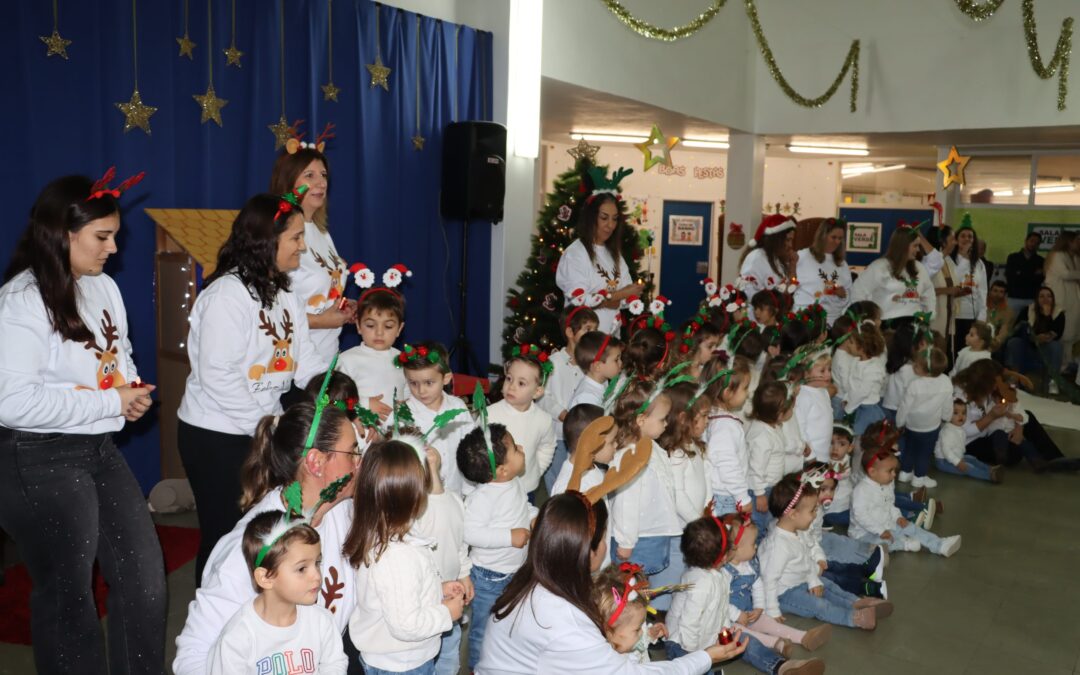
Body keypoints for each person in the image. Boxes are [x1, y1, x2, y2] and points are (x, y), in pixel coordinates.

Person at [0, 172, 165, 673]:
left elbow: (119, 356)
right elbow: (11, 402)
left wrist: (130, 391)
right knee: (68, 599)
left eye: (114, 235)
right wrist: (110, 404)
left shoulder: (103, 286)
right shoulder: (21, 301)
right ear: (62, 234)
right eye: (103, 236)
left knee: (145, 582)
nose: (113, 248)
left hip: (96, 450)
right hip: (35, 457)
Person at [178, 191, 329, 581]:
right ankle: (212, 628)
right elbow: (218, 376)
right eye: (295, 237)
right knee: (224, 536)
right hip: (217, 435)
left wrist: (336, 397)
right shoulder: (227, 294)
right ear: (267, 242)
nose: (302, 245)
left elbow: (305, 362)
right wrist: (270, 426)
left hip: (262, 428)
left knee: (265, 533)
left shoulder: (285, 292)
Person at [173, 400, 360, 675]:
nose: (360, 461)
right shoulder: (251, 547)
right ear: (316, 462)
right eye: (352, 452)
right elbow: (194, 654)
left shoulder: (342, 510)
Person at [476, 493, 749, 673]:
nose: (608, 545)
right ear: (587, 551)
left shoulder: (537, 578)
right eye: (605, 537)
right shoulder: (563, 622)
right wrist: (707, 657)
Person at [345, 440, 466, 674]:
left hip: (395, 657)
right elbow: (406, 625)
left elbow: (395, 595)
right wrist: (446, 613)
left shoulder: (381, 533)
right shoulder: (398, 556)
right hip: (402, 663)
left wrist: (436, 590)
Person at [664, 515, 824, 674]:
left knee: (747, 641)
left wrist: (726, 632)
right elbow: (688, 626)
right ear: (724, 555)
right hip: (683, 646)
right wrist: (703, 655)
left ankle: (782, 667)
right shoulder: (700, 585)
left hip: (712, 631)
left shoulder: (717, 573)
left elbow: (719, 607)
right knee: (697, 669)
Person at [208, 513, 348, 674]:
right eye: (302, 568)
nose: (317, 575)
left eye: (317, 563)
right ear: (266, 577)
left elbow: (334, 663)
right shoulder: (237, 638)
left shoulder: (321, 620)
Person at [457, 422, 537, 670]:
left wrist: (533, 516)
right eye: (515, 448)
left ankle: (503, 661)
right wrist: (508, 537)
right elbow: (470, 532)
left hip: (514, 571)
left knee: (507, 623)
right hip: (488, 577)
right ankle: (478, 668)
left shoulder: (512, 482)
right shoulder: (483, 497)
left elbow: (520, 508)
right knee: (483, 630)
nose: (521, 448)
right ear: (501, 470)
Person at [270, 136, 355, 363]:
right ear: (288, 182)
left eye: (324, 175)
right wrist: (321, 321)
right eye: (310, 175)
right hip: (291, 361)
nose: (321, 183)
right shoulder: (278, 233)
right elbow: (266, 310)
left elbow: (320, 292)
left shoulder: (321, 232)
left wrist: (344, 308)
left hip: (325, 357)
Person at [757, 475, 877, 630]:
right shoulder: (778, 546)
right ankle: (853, 618)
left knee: (828, 585)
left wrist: (813, 580)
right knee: (819, 605)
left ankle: (855, 602)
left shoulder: (797, 532)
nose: (815, 515)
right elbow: (769, 580)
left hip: (801, 580)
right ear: (793, 514)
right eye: (812, 511)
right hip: (783, 594)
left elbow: (806, 562)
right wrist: (772, 610)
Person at [555, 168, 644, 334]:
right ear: (591, 217)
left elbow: (625, 299)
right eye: (604, 218)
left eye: (615, 219)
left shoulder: (614, 254)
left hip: (611, 345)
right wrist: (617, 295)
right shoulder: (575, 254)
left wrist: (607, 299)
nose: (610, 225)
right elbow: (580, 302)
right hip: (585, 345)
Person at [849, 449, 962, 556]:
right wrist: (880, 531)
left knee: (911, 528)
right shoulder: (861, 490)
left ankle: (940, 545)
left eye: (895, 471)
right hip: (864, 533)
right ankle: (903, 544)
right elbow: (861, 516)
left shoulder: (888, 484)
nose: (894, 475)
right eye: (890, 471)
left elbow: (890, 504)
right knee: (878, 544)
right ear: (872, 472)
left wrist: (898, 517)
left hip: (888, 524)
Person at [539, 306, 599, 492]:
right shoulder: (553, 362)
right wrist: (562, 413)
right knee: (557, 478)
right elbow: (543, 396)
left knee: (581, 478)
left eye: (595, 330)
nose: (592, 334)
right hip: (558, 435)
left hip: (583, 434)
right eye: (587, 329)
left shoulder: (591, 364)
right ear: (570, 332)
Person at [402, 342, 474, 494]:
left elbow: (469, 449)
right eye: (413, 383)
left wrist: (469, 490)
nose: (421, 390)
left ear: (446, 378)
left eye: (429, 382)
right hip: (421, 495)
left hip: (455, 492)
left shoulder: (458, 406)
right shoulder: (402, 415)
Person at [489, 346, 557, 496]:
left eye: (521, 383)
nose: (511, 386)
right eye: (509, 379)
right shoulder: (490, 414)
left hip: (527, 489)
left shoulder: (543, 420)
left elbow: (548, 446)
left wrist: (537, 470)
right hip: (494, 487)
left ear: (537, 392)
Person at [851, 226, 936, 329]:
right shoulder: (879, 267)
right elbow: (858, 292)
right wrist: (866, 321)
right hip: (887, 327)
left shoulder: (920, 268)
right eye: (915, 245)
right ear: (903, 246)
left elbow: (929, 294)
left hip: (913, 326)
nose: (918, 249)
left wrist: (927, 316)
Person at [896, 347, 953, 488]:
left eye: (916, 365)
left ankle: (905, 473)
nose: (913, 366)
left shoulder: (914, 384)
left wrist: (899, 422)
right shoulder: (946, 382)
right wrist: (946, 417)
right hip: (931, 426)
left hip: (912, 425)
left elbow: (905, 406)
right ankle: (919, 478)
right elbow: (947, 404)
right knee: (924, 453)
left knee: (909, 449)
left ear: (926, 370)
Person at [703, 356, 753, 514]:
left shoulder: (709, 416)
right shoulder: (725, 425)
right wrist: (742, 497)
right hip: (727, 496)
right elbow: (727, 464)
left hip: (722, 493)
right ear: (727, 392)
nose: (748, 393)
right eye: (745, 388)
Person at [793, 218, 853, 325]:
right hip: (805, 318)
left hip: (832, 320)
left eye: (840, 238)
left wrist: (843, 294)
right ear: (822, 236)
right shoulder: (803, 256)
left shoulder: (842, 264)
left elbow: (849, 292)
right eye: (833, 237)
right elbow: (791, 284)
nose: (837, 242)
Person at [1008, 286, 1065, 393]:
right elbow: (1017, 329)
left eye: (1049, 296)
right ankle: (1016, 377)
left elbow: (1058, 333)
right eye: (1042, 296)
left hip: (1046, 350)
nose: (1045, 299)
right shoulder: (1028, 310)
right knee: (1014, 342)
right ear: (1037, 299)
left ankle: (1052, 381)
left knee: (1056, 346)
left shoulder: (1058, 313)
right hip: (1029, 346)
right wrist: (1033, 338)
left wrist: (1048, 317)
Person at [934, 400, 1003, 483]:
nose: (961, 416)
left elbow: (959, 445)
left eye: (963, 413)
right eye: (956, 413)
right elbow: (946, 450)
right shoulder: (947, 431)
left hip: (956, 457)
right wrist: (958, 462)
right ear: (947, 415)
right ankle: (989, 476)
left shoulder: (959, 429)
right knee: (967, 468)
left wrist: (960, 457)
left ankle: (989, 469)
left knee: (971, 458)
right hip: (944, 461)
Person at [949, 222, 988, 357]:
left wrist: (982, 315)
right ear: (956, 240)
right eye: (963, 236)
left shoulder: (979, 263)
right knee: (954, 350)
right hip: (954, 314)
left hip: (972, 315)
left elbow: (983, 291)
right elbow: (954, 278)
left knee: (968, 352)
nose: (967, 239)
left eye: (970, 237)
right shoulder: (949, 259)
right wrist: (964, 259)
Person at [1042, 231, 1080, 365]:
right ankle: (1059, 364)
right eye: (1076, 240)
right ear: (1068, 241)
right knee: (1063, 332)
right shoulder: (1057, 255)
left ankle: (1067, 362)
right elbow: (1066, 274)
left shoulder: (1075, 257)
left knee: (1073, 332)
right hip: (1060, 299)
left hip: (1073, 299)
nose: (1078, 243)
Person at [925, 226, 962, 356]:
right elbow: (921, 290)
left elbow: (953, 286)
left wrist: (958, 290)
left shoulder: (948, 261)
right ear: (942, 242)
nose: (956, 242)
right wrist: (947, 290)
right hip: (933, 316)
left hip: (947, 315)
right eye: (952, 239)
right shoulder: (928, 263)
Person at [739, 215, 797, 297]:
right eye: (788, 240)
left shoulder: (777, 258)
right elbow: (748, 295)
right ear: (776, 239)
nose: (790, 245)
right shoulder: (756, 258)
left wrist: (792, 266)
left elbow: (788, 291)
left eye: (792, 240)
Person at [568, 331, 624, 409]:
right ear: (597, 366)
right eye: (616, 359)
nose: (621, 363)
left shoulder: (602, 382)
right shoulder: (587, 397)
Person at [1005, 231, 1045, 316]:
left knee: (1031, 326)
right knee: (1010, 325)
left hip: (1032, 299)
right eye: (1032, 241)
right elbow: (1011, 278)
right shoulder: (1013, 257)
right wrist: (1032, 274)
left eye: (1037, 243)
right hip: (1014, 298)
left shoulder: (1041, 260)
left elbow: (1040, 280)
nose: (1033, 244)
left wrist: (1020, 273)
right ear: (1026, 241)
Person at [986, 280, 1015, 361]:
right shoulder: (982, 305)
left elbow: (1004, 331)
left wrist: (997, 341)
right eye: (995, 291)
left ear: (1005, 295)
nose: (997, 294)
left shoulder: (1008, 312)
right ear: (989, 291)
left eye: (1001, 292)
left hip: (995, 342)